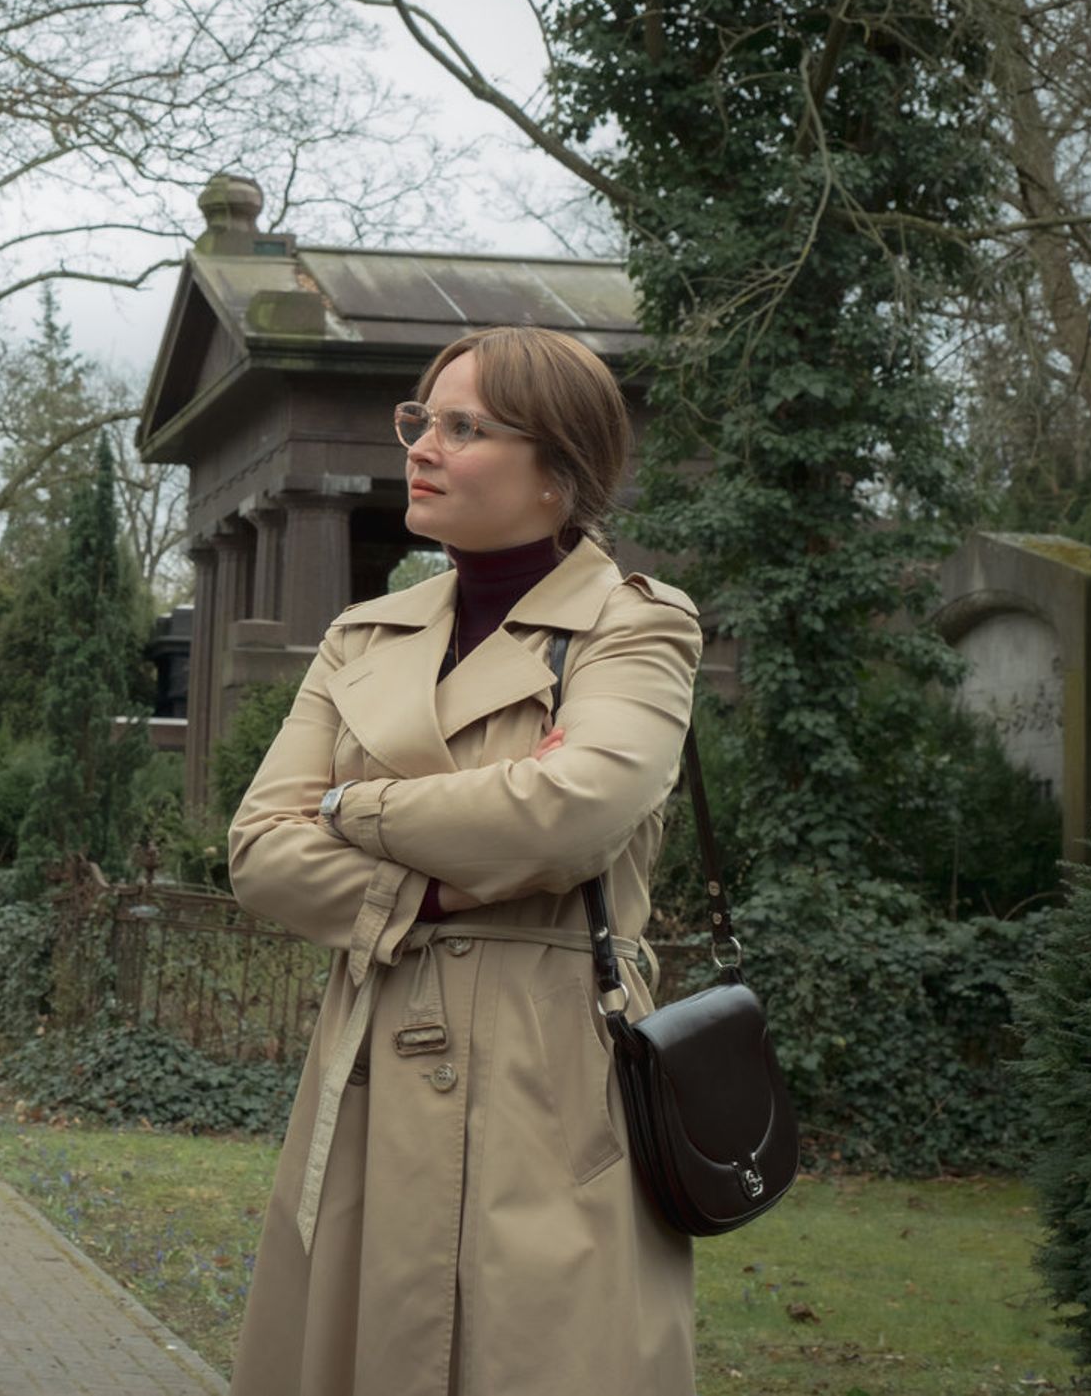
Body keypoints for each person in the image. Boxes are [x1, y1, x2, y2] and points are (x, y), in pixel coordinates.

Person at [225, 324, 702, 1394]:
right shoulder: (363, 636)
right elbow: (260, 850)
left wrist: (352, 807)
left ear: (558, 470)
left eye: (464, 427)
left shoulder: (634, 629)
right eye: (420, 420)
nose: (423, 447)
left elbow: (567, 814)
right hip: (368, 1074)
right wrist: (457, 868)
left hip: (552, 1079)